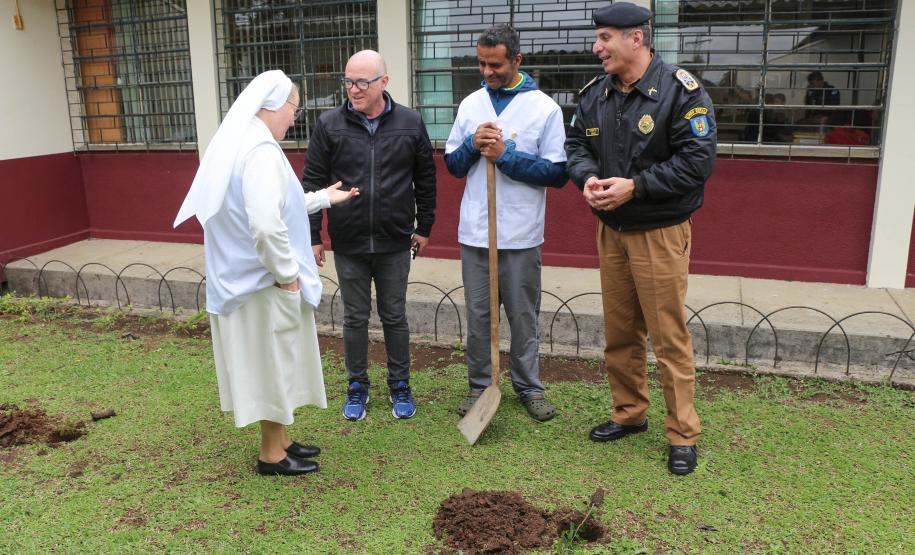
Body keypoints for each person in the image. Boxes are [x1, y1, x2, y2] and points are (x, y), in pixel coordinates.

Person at [173, 70, 359, 475]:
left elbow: (281, 205)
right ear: (274, 106)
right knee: (273, 362)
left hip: (248, 281)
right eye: (294, 108)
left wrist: (323, 198)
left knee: (275, 360)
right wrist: (285, 273)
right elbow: (264, 223)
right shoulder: (257, 151)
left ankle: (283, 439)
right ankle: (271, 454)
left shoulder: (243, 143)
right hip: (261, 283)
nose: (294, 118)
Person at [564, 2, 717, 475]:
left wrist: (636, 186)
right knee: (620, 332)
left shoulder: (681, 92)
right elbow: (575, 147)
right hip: (612, 232)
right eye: (598, 38)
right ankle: (629, 414)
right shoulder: (594, 95)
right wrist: (588, 178)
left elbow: (697, 163)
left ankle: (682, 434)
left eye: (605, 37)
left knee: (668, 337)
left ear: (636, 38)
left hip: (659, 231)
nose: (597, 47)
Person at [302, 50, 437, 421]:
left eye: (362, 82)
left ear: (384, 82)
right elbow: (313, 184)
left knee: (395, 316)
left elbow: (425, 178)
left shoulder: (410, 123)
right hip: (349, 240)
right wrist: (314, 235)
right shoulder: (329, 125)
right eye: (348, 81)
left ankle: (400, 386)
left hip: (395, 240)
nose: (353, 89)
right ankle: (357, 387)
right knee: (354, 318)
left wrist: (424, 227)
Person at [444, 24, 568, 422]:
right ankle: (480, 385)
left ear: (517, 60)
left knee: (522, 314)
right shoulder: (470, 105)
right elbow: (452, 165)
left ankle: (529, 386)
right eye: (481, 63)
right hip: (476, 232)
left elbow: (557, 172)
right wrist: (471, 145)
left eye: (495, 64)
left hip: (520, 233)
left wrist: (505, 156)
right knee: (479, 315)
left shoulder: (544, 108)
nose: (486, 72)